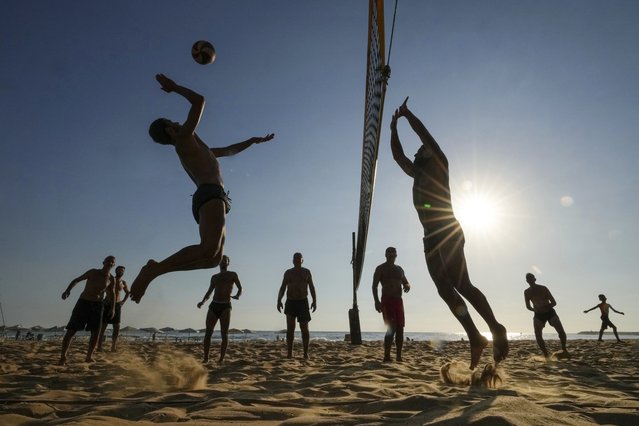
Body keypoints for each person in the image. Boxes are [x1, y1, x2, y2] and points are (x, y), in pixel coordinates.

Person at [130, 74, 274, 303]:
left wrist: (252, 141)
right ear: (170, 130)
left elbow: (228, 150)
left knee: (213, 259)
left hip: (213, 197)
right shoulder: (184, 139)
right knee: (208, 248)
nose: (178, 122)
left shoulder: (197, 146)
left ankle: (157, 269)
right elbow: (200, 101)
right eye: (174, 122)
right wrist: (175, 88)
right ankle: (153, 271)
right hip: (209, 195)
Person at [390, 97, 508, 369]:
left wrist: (407, 115)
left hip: (447, 229)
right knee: (445, 290)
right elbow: (398, 156)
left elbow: (425, 136)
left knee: (462, 284)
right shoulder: (416, 173)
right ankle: (475, 337)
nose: (418, 152)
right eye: (418, 151)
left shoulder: (440, 162)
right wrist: (393, 128)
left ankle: (496, 328)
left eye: (422, 150)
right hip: (430, 236)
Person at [59, 256, 116, 365]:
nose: (110, 263)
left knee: (95, 333)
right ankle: (63, 357)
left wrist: (113, 309)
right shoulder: (93, 272)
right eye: (108, 260)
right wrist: (68, 290)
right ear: (103, 262)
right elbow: (77, 279)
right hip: (84, 302)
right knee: (71, 330)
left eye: (112, 262)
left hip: (98, 305)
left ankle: (89, 356)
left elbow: (112, 293)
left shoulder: (111, 279)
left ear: (114, 265)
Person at [197, 255, 243, 363]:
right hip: (214, 305)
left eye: (225, 260)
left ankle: (221, 359)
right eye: (221, 260)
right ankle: (206, 358)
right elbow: (209, 292)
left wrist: (238, 295)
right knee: (208, 333)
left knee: (224, 334)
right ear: (218, 263)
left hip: (226, 306)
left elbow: (240, 288)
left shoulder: (233, 274)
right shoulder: (214, 277)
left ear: (228, 263)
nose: (222, 262)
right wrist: (203, 302)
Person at [372, 247, 411, 362]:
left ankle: (399, 356)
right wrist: (376, 301)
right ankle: (387, 356)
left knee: (400, 328)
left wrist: (408, 285)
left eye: (393, 252)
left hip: (398, 301)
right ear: (385, 254)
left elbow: (406, 281)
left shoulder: (399, 269)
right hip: (387, 300)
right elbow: (374, 286)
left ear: (396, 255)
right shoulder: (380, 268)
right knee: (391, 327)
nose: (390, 254)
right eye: (388, 252)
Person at [277, 252, 317, 359]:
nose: (297, 260)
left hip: (303, 302)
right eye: (295, 258)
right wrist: (279, 300)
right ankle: (290, 353)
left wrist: (314, 300)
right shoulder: (288, 273)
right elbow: (282, 287)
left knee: (304, 328)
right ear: (292, 260)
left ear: (302, 260)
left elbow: (312, 287)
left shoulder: (306, 272)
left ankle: (305, 353)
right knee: (290, 328)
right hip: (290, 302)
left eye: (299, 258)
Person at [524, 273, 569, 358]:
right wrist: (534, 309)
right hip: (538, 314)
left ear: (535, 279)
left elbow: (554, 302)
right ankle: (545, 354)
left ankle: (564, 349)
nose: (530, 280)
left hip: (549, 312)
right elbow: (528, 306)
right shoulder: (527, 292)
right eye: (528, 279)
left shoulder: (543, 288)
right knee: (538, 334)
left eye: (531, 278)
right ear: (527, 281)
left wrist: (546, 307)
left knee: (560, 330)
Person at [98, 265, 130, 352]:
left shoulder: (123, 282)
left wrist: (123, 301)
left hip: (117, 305)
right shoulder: (110, 279)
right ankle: (99, 347)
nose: (120, 272)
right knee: (103, 326)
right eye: (119, 270)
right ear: (116, 271)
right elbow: (102, 289)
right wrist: (101, 299)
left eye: (122, 271)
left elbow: (128, 292)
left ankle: (113, 347)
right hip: (107, 304)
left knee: (116, 327)